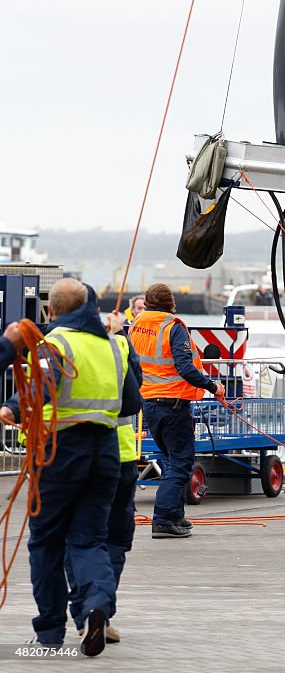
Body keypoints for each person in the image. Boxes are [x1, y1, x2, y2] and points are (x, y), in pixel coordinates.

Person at [0, 278, 141, 656]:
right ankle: (96, 605)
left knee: (46, 542)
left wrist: (11, 409)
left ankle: (49, 631)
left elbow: (41, 387)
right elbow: (130, 403)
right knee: (90, 540)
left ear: (52, 311)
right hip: (107, 453)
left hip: (61, 451)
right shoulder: (113, 346)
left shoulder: (57, 344)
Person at [65, 307, 141, 645]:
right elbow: (133, 402)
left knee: (79, 540)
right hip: (120, 457)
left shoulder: (59, 344)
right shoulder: (120, 346)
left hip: (71, 458)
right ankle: (101, 610)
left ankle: (85, 612)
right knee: (115, 541)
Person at [129, 282, 225, 539]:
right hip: (172, 404)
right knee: (181, 463)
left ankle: (175, 516)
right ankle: (162, 519)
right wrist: (213, 386)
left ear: (147, 303)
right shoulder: (172, 326)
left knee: (171, 460)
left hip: (149, 403)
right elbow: (186, 368)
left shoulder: (136, 325)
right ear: (171, 303)